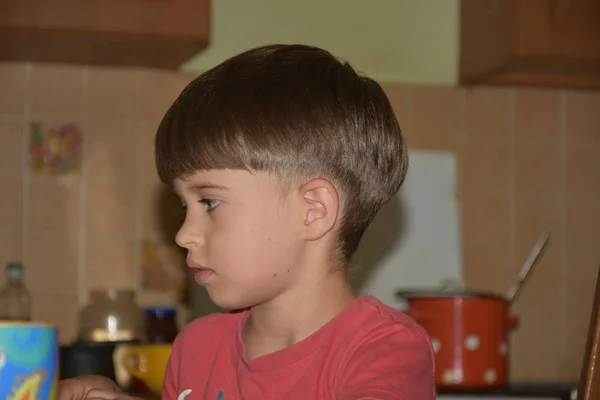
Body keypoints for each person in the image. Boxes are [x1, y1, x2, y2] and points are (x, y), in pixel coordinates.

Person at [59, 44, 435, 400]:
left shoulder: (384, 350)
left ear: (314, 210)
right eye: (183, 206)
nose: (184, 234)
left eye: (210, 202)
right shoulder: (196, 349)